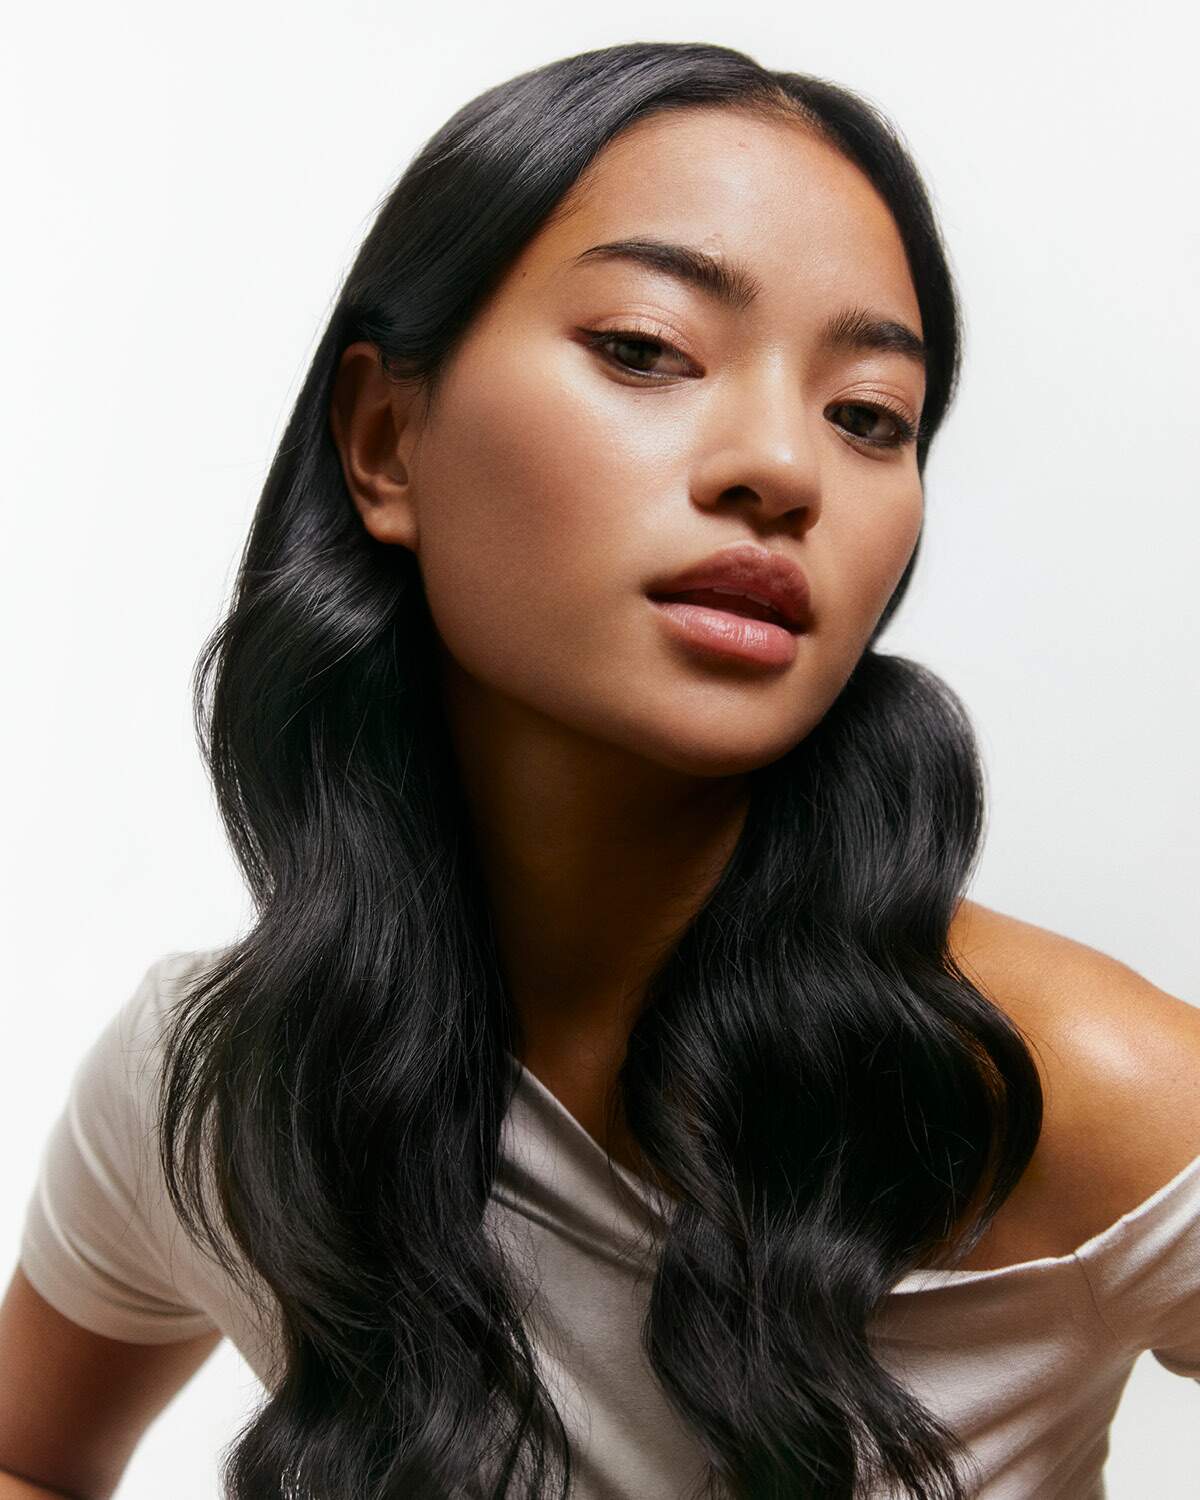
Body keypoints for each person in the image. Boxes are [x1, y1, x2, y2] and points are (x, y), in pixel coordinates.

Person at [1, 38, 1197, 1500]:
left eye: (868, 415)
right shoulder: (215, 1087)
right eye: (645, 346)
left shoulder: (1088, 1099)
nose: (784, 468)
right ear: (386, 440)